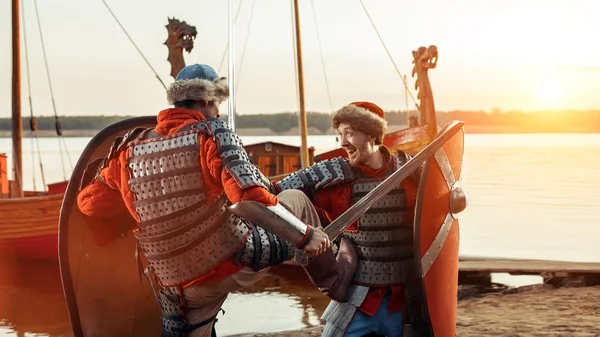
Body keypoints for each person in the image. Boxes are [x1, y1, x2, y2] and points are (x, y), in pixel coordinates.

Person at [76, 64, 358, 337]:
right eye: (217, 104)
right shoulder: (212, 134)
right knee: (294, 198)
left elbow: (89, 204)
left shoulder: (128, 149)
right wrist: (306, 236)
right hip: (226, 262)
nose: (218, 111)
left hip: (173, 283)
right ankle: (336, 282)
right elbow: (250, 199)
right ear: (207, 100)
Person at [273, 101, 422, 337]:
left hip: (403, 299)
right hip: (356, 298)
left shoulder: (412, 171)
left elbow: (438, 215)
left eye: (349, 133)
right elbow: (274, 194)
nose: (342, 142)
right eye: (340, 135)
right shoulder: (333, 177)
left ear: (372, 134)